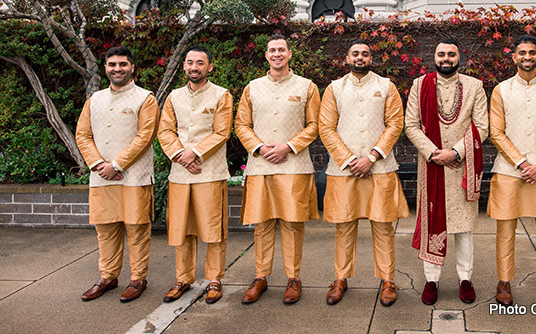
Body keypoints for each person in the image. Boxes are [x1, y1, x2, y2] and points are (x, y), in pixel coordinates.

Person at [319, 40, 409, 306]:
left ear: (371, 58)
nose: (360, 57)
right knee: (344, 227)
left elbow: (395, 124)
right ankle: (340, 279)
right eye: (355, 53)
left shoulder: (386, 87)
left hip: (379, 168)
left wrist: (371, 157)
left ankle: (388, 280)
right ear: (347, 57)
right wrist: (349, 160)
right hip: (343, 170)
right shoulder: (334, 89)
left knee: (383, 227)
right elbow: (326, 127)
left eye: (365, 54)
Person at [234, 35, 321, 305]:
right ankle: (260, 276)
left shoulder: (307, 86)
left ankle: (293, 278)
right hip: (261, 165)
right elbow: (241, 125)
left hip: (293, 164)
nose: (277, 54)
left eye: (281, 49)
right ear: (266, 55)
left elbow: (315, 125)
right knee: (262, 223)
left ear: (290, 54)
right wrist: (259, 148)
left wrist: (288, 146)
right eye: (272, 50)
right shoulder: (252, 87)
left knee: (293, 224)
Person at [405, 38, 489, 305]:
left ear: (459, 57)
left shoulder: (475, 86)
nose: (446, 59)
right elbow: (411, 125)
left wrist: (454, 152)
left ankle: (465, 278)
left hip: (462, 165)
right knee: (432, 222)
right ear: (435, 56)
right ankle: (432, 279)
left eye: (451, 54)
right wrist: (433, 153)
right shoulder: (420, 86)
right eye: (441, 54)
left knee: (464, 228)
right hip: (431, 165)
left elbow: (481, 127)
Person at [487, 35, 536, 306]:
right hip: (510, 172)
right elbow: (496, 133)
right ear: (514, 57)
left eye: (532, 52)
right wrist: (522, 163)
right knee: (505, 231)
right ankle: (504, 280)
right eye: (522, 52)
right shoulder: (501, 90)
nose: (527, 57)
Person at [76, 46, 159, 303]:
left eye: (123, 64)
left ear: (132, 67)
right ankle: (108, 277)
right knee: (106, 228)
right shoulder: (94, 99)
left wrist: (118, 165)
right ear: (105, 68)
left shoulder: (146, 98)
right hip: (101, 177)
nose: (117, 69)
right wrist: (99, 164)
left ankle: (138, 279)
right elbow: (82, 134)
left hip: (134, 176)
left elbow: (145, 136)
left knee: (137, 229)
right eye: (112, 64)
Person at [157, 46, 233, 305]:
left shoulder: (222, 95)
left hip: (209, 171)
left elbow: (222, 132)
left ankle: (214, 279)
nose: (194, 67)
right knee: (181, 227)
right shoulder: (173, 97)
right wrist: (180, 155)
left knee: (213, 228)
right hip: (179, 172)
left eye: (200, 62)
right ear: (184, 66)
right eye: (190, 62)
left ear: (210, 67)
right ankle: (183, 278)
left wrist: (196, 153)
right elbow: (165, 130)